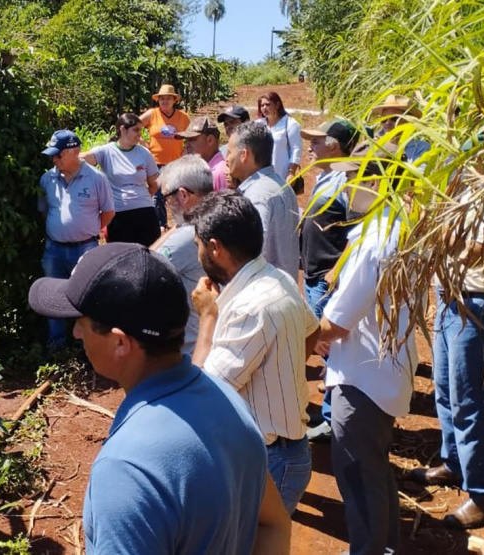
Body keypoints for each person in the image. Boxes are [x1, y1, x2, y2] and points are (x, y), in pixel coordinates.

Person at [27, 242, 291, 555]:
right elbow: (275, 525)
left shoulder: (127, 470)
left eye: (82, 324)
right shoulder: (230, 404)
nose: (75, 335)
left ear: (120, 343)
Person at [314, 142, 416, 555]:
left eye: (353, 178)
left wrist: (298, 338)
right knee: (374, 471)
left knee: (358, 475)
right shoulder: (399, 226)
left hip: (362, 378)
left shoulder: (375, 239)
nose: (347, 186)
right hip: (383, 371)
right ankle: (382, 547)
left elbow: (337, 320)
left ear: (374, 181)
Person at [190, 191, 319, 515]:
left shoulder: (250, 307)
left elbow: (201, 394)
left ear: (215, 247)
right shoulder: (278, 279)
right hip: (276, 451)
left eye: (198, 245)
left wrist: (207, 317)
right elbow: (312, 331)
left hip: (270, 459)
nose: (198, 254)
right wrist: (281, 373)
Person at [408, 193, 484, 528]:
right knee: (446, 389)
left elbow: (477, 250)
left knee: (470, 399)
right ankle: (454, 465)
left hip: (476, 302)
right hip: (451, 294)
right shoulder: (455, 185)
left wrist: (433, 237)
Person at [298, 119, 360, 443]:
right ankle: (332, 417)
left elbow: (358, 231)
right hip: (314, 275)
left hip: (326, 278)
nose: (310, 147)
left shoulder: (349, 183)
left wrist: (337, 272)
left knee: (330, 348)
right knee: (326, 349)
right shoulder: (327, 178)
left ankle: (334, 421)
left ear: (334, 145)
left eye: (316, 141)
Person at [38, 129, 115, 348]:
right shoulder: (47, 179)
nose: (54, 159)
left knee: (88, 296)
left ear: (74, 152)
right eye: (52, 155)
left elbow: (108, 212)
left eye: (58, 154)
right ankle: (57, 344)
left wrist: (87, 231)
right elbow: (43, 211)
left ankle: (88, 346)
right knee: (53, 296)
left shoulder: (96, 178)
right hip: (54, 249)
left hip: (86, 248)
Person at [151, 155, 214, 356]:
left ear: (184, 195)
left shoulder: (188, 236)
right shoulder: (212, 218)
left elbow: (147, 267)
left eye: (166, 198)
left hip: (189, 350)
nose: (166, 205)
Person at [225, 122, 300, 277]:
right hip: (282, 287)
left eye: (229, 152)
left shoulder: (256, 196)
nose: (227, 159)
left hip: (263, 291)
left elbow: (252, 251)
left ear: (244, 154)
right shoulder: (282, 186)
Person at [83, 113, 160, 247]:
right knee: (121, 256)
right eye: (135, 130)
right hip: (118, 214)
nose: (139, 135)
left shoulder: (144, 153)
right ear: (122, 130)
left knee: (151, 252)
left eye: (141, 130)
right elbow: (81, 160)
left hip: (145, 211)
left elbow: (154, 184)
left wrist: (140, 199)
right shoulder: (106, 151)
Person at [139, 84, 191, 229]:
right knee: (157, 194)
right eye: (162, 99)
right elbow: (134, 125)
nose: (165, 101)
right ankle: (161, 224)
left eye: (168, 98)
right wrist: (143, 143)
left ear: (174, 100)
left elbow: (192, 136)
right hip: (155, 161)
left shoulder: (183, 117)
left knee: (177, 193)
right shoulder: (152, 114)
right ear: (158, 100)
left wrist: (187, 150)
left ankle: (181, 223)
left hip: (176, 162)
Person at [256, 92, 303, 183]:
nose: (264, 108)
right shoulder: (259, 124)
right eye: (262, 105)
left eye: (268, 105)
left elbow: (296, 149)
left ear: (277, 105)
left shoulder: (290, 124)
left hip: (282, 176)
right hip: (262, 176)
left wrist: (291, 172)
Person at [372, 94, 429, 165]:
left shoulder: (421, 148)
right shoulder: (373, 144)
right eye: (384, 119)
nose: (387, 123)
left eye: (394, 118)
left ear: (408, 120)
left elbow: (419, 174)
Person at [174, 116, 228, 191]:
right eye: (186, 140)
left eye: (192, 139)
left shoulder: (220, 172)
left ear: (210, 140)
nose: (186, 144)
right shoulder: (204, 168)